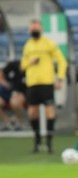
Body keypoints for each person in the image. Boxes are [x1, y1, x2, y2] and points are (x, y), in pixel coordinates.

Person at [20, 19, 67, 154]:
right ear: (29, 30)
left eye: (37, 28)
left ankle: (49, 142)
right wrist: (30, 61)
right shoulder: (27, 45)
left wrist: (60, 77)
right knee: (32, 112)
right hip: (32, 83)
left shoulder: (49, 44)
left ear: (41, 29)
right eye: (32, 28)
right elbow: (22, 65)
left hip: (46, 82)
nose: (35, 30)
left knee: (50, 111)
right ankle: (37, 140)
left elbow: (61, 61)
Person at [0, 60, 26, 130]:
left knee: (14, 102)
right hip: (6, 93)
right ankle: (7, 121)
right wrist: (4, 82)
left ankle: (18, 122)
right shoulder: (13, 65)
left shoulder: (30, 69)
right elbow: (2, 74)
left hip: (21, 93)